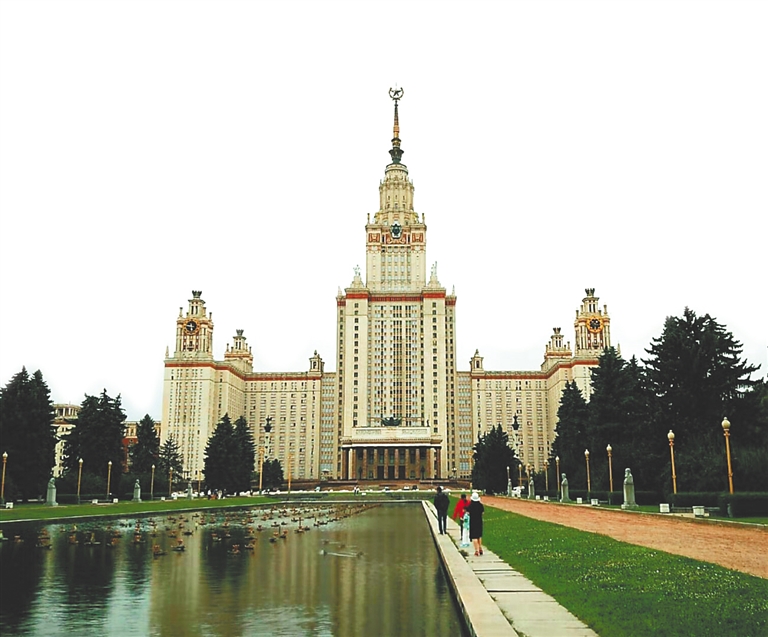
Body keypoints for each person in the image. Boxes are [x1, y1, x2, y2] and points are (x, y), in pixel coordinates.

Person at [467, 491, 485, 556]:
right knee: (479, 536)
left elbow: (468, 513)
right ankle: (480, 547)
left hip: (473, 522)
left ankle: (476, 550)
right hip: (479, 521)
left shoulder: (470, 506)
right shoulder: (480, 505)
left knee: (474, 537)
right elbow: (483, 513)